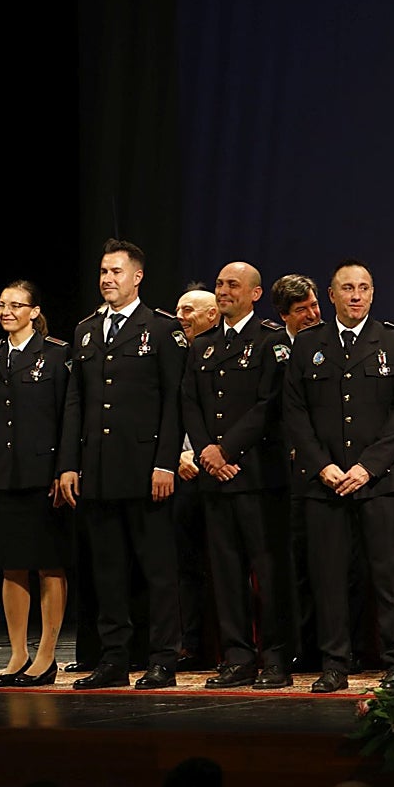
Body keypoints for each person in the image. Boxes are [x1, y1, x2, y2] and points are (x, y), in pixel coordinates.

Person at [284, 259, 394, 692]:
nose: (356, 295)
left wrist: (367, 466)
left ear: (373, 294)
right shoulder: (307, 345)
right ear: (331, 294)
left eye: (363, 287)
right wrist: (324, 466)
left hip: (379, 481)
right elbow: (295, 413)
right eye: (347, 288)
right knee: (329, 576)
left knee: (388, 575)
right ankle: (336, 662)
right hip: (324, 483)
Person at [59, 239, 186, 690]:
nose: (107, 279)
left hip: (146, 469)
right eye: (103, 272)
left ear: (137, 277)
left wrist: (166, 464)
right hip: (98, 470)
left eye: (116, 272)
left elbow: (175, 402)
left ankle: (163, 658)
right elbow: (76, 401)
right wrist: (69, 464)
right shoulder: (87, 330)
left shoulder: (163, 329)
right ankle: (113, 658)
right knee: (107, 571)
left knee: (156, 570)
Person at [182, 261, 293, 689]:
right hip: (216, 476)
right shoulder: (203, 345)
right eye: (220, 284)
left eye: (233, 285)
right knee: (225, 573)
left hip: (258, 475)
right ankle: (237, 657)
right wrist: (208, 452)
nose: (223, 291)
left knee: (269, 572)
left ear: (255, 293)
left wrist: (226, 449)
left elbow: (270, 404)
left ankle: (278, 657)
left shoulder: (271, 341)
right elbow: (189, 401)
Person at [0, 280, 71, 687]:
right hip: (3, 474)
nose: (6, 311)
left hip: (43, 477)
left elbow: (68, 418)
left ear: (34, 310)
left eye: (15, 304)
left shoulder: (57, 354)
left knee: (48, 562)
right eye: (1, 304)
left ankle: (46, 656)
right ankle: (17, 654)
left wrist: (64, 470)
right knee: (11, 564)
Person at [270, 274, 333, 674]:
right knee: (297, 568)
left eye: (314, 305)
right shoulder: (271, 350)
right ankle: (302, 647)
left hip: (324, 469)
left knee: (330, 564)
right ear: (283, 316)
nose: (312, 315)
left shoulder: (331, 343)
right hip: (285, 474)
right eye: (301, 310)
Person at [173, 287, 220, 672]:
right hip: (181, 474)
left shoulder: (220, 351)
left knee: (223, 564)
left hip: (221, 469)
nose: (181, 317)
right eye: (177, 310)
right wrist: (177, 456)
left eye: (189, 310)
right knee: (185, 567)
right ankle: (190, 644)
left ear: (212, 315)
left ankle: (225, 646)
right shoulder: (171, 355)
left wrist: (205, 453)